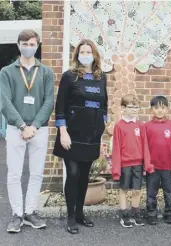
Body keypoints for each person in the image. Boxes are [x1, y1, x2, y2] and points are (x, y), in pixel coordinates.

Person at [0, 29, 54, 233]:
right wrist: (23, 126)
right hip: (16, 129)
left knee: (36, 173)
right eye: (25, 44)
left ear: (37, 46)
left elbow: (49, 101)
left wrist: (35, 126)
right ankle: (17, 214)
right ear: (18, 45)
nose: (29, 48)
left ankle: (31, 211)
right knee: (14, 174)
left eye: (32, 44)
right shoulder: (7, 71)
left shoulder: (46, 72)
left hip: (39, 129)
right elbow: (4, 102)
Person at [52, 39, 108, 234]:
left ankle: (80, 213)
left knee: (84, 176)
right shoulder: (69, 77)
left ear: (94, 54)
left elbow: (104, 104)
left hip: (92, 134)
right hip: (71, 133)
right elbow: (60, 105)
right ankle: (70, 216)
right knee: (74, 173)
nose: (85, 54)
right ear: (77, 55)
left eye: (88, 51)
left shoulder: (102, 78)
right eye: (82, 51)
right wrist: (63, 131)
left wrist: (102, 125)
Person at [111, 94, 154, 228]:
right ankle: (124, 215)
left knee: (137, 190)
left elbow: (145, 145)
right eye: (131, 107)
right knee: (124, 189)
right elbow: (116, 149)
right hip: (125, 164)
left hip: (138, 164)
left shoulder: (140, 125)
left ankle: (135, 212)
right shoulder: (119, 126)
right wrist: (116, 170)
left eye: (137, 107)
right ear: (123, 108)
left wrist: (147, 164)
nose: (135, 110)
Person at [144, 96, 171, 225]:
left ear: (167, 109)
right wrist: (146, 164)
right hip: (152, 166)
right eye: (156, 108)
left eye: (163, 108)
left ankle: (169, 213)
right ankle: (151, 214)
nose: (159, 110)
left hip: (168, 165)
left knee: (169, 191)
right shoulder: (146, 126)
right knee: (151, 192)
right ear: (151, 109)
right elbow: (144, 147)